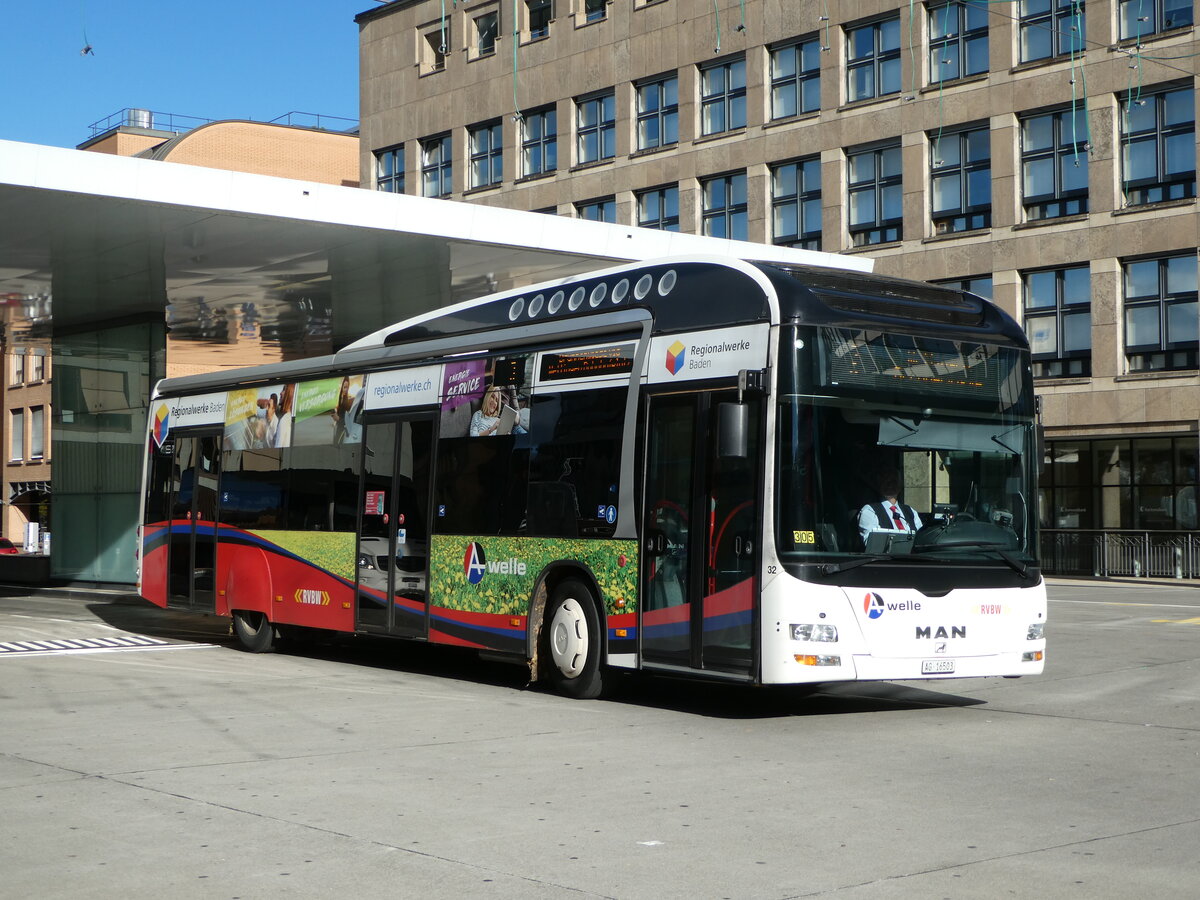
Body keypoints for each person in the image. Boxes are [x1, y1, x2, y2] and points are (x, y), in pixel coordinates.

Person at [858, 470, 922, 546]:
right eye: (886, 480)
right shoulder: (869, 511)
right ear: (879, 484)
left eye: (893, 481)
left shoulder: (910, 511)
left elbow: (921, 539)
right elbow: (872, 545)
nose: (890, 484)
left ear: (900, 484)